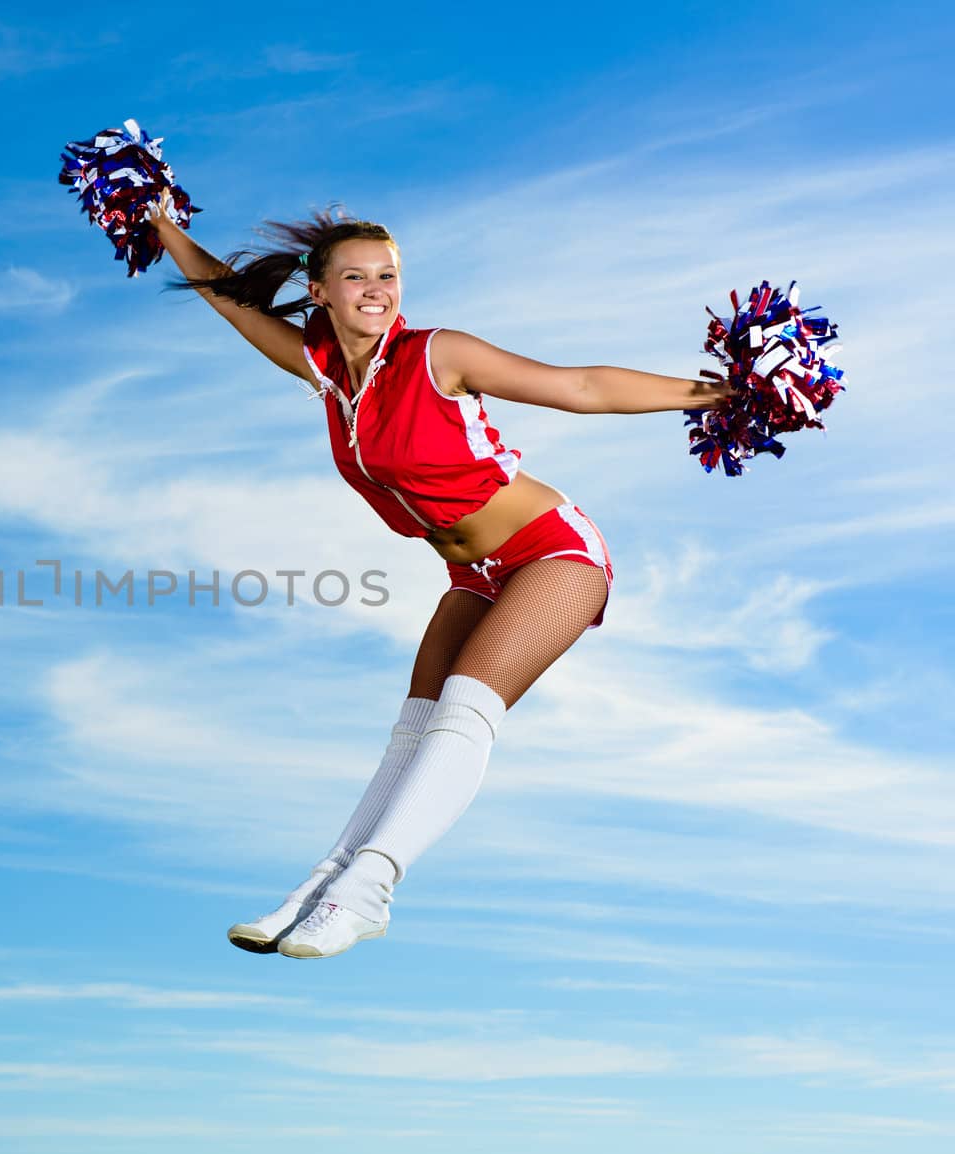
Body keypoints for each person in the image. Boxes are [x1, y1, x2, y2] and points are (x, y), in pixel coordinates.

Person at [142, 198, 732, 959]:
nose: (376, 289)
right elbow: (226, 297)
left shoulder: (436, 354)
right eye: (355, 276)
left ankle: (368, 891)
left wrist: (719, 393)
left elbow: (579, 386)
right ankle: (320, 888)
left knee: (462, 710)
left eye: (388, 275)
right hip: (473, 574)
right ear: (319, 290)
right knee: (410, 737)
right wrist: (160, 223)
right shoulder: (325, 371)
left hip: (552, 552)